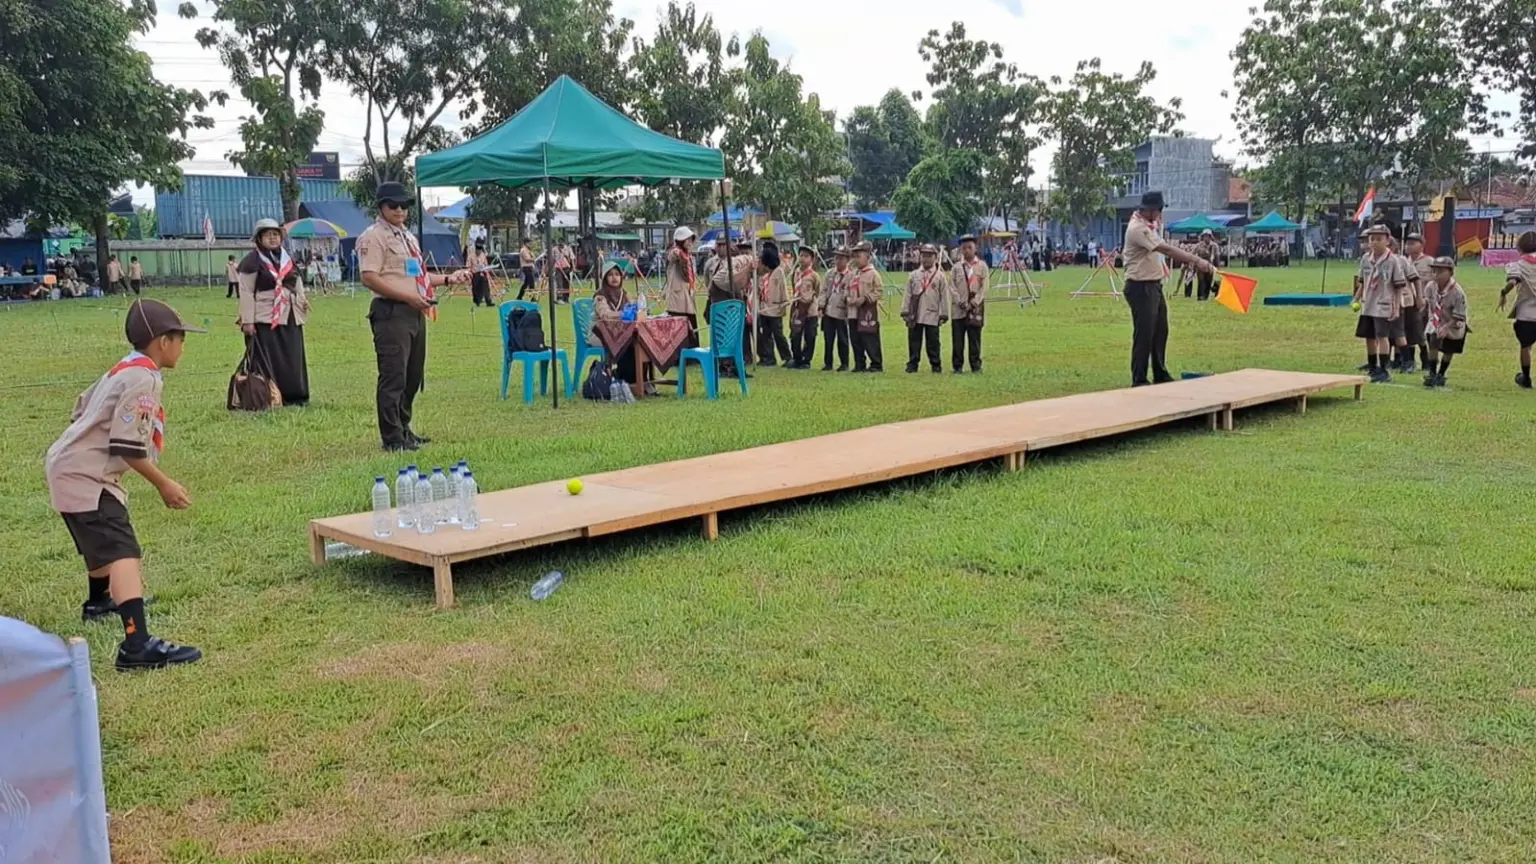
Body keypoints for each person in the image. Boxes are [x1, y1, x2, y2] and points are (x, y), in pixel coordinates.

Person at [45, 299, 205, 670]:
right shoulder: (144, 378)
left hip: (67, 468)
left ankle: (100, 602)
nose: (184, 346)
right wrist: (165, 484)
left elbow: (81, 407)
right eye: (181, 338)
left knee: (101, 542)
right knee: (122, 551)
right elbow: (127, 447)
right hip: (88, 476)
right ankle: (137, 643)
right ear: (163, 341)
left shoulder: (123, 368)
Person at [356, 181, 469, 452]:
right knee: (393, 375)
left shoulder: (407, 237)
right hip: (391, 312)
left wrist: (448, 279)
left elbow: (417, 275)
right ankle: (392, 437)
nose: (399, 210)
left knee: (412, 376)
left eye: (404, 205)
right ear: (381, 207)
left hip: (415, 309)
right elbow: (369, 277)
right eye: (393, 205)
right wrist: (407, 297)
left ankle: (404, 429)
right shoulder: (374, 237)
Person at [1122, 191, 1214, 387]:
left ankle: (1160, 373)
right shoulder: (1138, 229)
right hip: (1140, 286)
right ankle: (1138, 378)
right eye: (1160, 209)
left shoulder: (1151, 225)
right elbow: (1167, 249)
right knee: (1145, 333)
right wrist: (1197, 260)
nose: (1161, 214)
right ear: (1150, 210)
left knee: (1160, 330)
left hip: (1154, 284)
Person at [237, 218, 311, 406]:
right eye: (268, 234)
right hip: (265, 316)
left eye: (276, 234)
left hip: (290, 314)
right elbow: (245, 292)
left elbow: (296, 282)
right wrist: (248, 321)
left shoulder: (287, 258)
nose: (272, 238)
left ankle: (295, 395)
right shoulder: (251, 262)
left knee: (292, 356)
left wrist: (302, 301)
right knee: (269, 358)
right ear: (259, 238)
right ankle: (269, 395)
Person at [1353, 225, 1405, 383]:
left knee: (1382, 336)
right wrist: (1356, 298)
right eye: (1372, 239)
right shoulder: (1365, 259)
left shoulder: (1393, 261)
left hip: (1384, 304)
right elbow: (1362, 281)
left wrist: (1396, 308)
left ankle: (1383, 369)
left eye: (1379, 239)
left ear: (1387, 241)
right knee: (1368, 336)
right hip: (1368, 303)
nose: (1374, 242)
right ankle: (1372, 365)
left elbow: (1398, 287)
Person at [902, 244, 948, 374]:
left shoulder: (940, 276)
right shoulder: (914, 275)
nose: (926, 259)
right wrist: (905, 311)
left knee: (933, 341)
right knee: (914, 340)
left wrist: (943, 314)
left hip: (932, 313)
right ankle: (912, 364)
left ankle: (936, 364)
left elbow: (944, 296)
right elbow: (907, 294)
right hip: (916, 313)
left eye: (929, 256)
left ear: (936, 257)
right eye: (924, 255)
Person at [1497, 231, 1536, 389]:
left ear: (1519, 249)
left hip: (1527, 314)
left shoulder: (1518, 265)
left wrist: (1503, 293)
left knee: (1525, 347)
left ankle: (1526, 378)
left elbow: (1513, 281)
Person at [589, 260, 638, 384]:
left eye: (617, 274)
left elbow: (633, 309)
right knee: (627, 342)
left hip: (620, 333)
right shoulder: (600, 296)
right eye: (610, 275)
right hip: (600, 334)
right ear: (605, 278)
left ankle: (639, 379)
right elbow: (605, 315)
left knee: (640, 342)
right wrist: (624, 314)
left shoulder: (624, 294)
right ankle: (625, 377)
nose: (614, 278)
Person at [1423, 257, 1466, 388]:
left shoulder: (1457, 292)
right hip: (1436, 321)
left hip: (1453, 323)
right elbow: (1429, 303)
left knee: (1449, 349)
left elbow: (1460, 315)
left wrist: (1447, 327)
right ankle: (1432, 373)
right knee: (1433, 343)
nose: (1436, 274)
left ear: (1451, 273)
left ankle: (1441, 373)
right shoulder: (1430, 287)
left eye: (1441, 271)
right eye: (1434, 271)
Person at [953, 235, 989, 373]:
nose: (967, 251)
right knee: (958, 339)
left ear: (976, 249)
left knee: (974, 338)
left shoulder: (982, 266)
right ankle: (957, 366)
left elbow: (984, 287)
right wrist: (959, 301)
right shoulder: (957, 267)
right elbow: (952, 286)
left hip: (975, 309)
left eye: (970, 247)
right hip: (959, 309)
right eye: (964, 248)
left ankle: (975, 365)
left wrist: (974, 302)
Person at [847, 241, 884, 373]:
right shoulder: (852, 274)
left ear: (868, 256)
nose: (856, 259)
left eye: (859, 255)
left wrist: (865, 298)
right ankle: (859, 363)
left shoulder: (873, 274)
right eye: (855, 256)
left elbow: (879, 291)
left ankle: (876, 364)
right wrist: (848, 299)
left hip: (868, 312)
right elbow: (846, 289)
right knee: (855, 339)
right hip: (853, 312)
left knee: (870, 338)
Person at [1400, 233, 1434, 373]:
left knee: (1421, 331)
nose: (1409, 246)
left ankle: (1426, 359)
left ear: (1422, 245)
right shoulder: (1403, 261)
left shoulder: (1429, 261)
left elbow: (1435, 282)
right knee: (1409, 331)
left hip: (1425, 301)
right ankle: (1410, 360)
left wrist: (1426, 300)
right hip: (1408, 301)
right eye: (1408, 243)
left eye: (1413, 243)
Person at [664, 227, 700, 347]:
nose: (690, 242)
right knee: (677, 327)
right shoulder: (675, 252)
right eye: (687, 240)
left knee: (691, 324)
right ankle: (679, 355)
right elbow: (671, 256)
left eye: (691, 240)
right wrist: (676, 252)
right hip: (677, 296)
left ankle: (692, 354)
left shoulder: (687, 255)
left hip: (687, 294)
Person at [788, 245, 822, 369]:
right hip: (797, 309)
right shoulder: (795, 273)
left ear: (811, 260)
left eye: (806, 256)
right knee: (795, 334)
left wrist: (810, 301)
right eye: (801, 255)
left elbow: (817, 291)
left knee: (810, 336)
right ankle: (796, 358)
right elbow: (793, 287)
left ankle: (806, 360)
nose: (802, 259)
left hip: (810, 310)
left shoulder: (814, 276)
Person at [821, 247, 852, 372]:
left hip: (842, 310)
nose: (838, 261)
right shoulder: (830, 274)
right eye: (836, 258)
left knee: (842, 338)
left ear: (848, 260)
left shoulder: (851, 275)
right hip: (829, 309)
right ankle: (828, 363)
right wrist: (821, 305)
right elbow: (823, 291)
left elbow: (850, 292)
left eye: (841, 258)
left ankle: (844, 363)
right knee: (828, 338)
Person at [1194, 231, 1218, 301]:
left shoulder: (1214, 246)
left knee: (1208, 281)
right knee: (1201, 281)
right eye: (1204, 236)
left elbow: (1216, 256)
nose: (1206, 238)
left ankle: (1206, 296)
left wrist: (1217, 266)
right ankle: (1200, 296)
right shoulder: (1199, 245)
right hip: (1200, 265)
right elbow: (1193, 253)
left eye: (1207, 236)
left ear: (1210, 237)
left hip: (1210, 266)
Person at [468, 241, 493, 307]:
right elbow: (468, 266)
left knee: (486, 287)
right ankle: (477, 301)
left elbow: (486, 264)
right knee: (476, 288)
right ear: (475, 250)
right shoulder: (471, 256)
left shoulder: (483, 255)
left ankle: (488, 301)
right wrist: (470, 272)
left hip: (483, 272)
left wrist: (487, 270)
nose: (478, 252)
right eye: (477, 251)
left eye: (480, 251)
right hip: (475, 273)